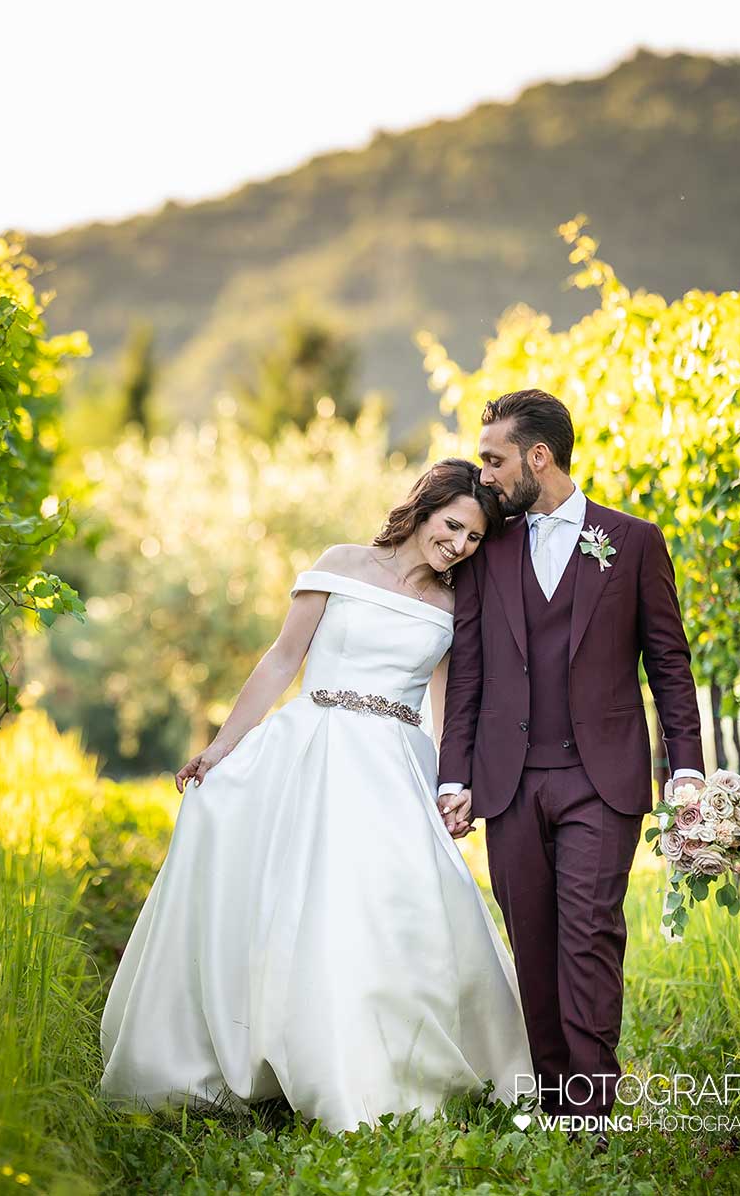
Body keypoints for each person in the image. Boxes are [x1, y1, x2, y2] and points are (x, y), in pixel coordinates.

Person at [97, 458, 536, 1132]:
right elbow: (280, 660)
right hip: (308, 745)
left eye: (474, 538)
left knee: (390, 907)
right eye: (453, 526)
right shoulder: (342, 564)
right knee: (284, 896)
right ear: (424, 507)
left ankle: (385, 1062)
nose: (460, 545)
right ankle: (260, 1049)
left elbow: (450, 707)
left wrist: (456, 785)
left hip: (393, 763)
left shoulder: (456, 604)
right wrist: (221, 747)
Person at [435, 388, 704, 1128]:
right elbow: (469, 671)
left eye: (494, 459)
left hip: (602, 779)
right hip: (509, 782)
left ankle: (590, 1109)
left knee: (589, 935)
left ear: (538, 457)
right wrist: (452, 773)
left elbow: (669, 665)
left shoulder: (634, 541)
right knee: (535, 942)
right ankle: (556, 1102)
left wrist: (686, 767)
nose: (484, 474)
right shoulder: (487, 551)